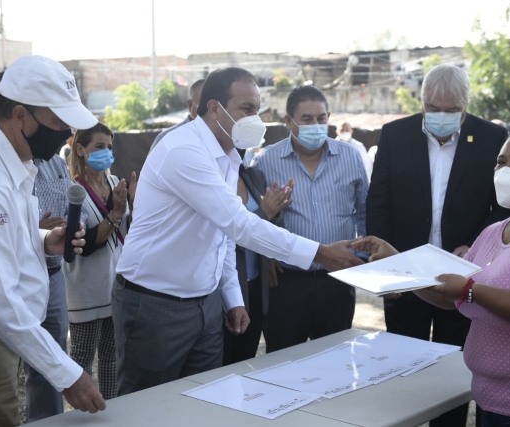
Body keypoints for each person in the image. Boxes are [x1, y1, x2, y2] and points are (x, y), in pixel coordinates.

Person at [113, 67, 363, 396]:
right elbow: (239, 223)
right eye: (246, 110)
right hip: (155, 305)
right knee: (146, 408)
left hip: (205, 304)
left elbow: (223, 237)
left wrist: (232, 299)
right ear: (214, 108)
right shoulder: (184, 151)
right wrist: (322, 253)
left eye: (257, 110)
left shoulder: (229, 156)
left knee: (203, 405)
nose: (255, 119)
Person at [355, 127, 510, 427]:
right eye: (501, 162)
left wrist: (471, 290)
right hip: (498, 403)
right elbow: (449, 295)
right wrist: (398, 263)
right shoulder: (494, 232)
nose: (505, 170)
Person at [366, 64, 510, 427]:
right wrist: (386, 271)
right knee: (402, 367)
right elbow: (378, 204)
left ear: (466, 105)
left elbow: (501, 209)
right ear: (421, 101)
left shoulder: (492, 138)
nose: (441, 116)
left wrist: (475, 249)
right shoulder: (395, 134)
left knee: (453, 370)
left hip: (461, 276)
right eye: (434, 107)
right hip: (406, 272)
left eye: (451, 110)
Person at [0, 55, 105, 427]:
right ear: (20, 116)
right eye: (58, 121)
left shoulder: (12, 161)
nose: (66, 133)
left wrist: (42, 240)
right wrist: (68, 374)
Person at [253, 86, 368, 353]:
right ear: (288, 121)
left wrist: (364, 259)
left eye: (321, 119)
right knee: (283, 362)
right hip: (287, 284)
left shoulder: (350, 157)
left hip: (338, 279)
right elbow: (254, 220)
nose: (315, 126)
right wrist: (264, 256)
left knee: (336, 360)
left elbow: (364, 211)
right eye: (306, 120)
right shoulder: (266, 162)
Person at [64, 123, 136, 400]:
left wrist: (134, 204)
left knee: (111, 358)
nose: (106, 152)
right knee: (81, 359)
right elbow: (85, 243)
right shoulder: (74, 191)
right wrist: (116, 214)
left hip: (114, 288)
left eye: (109, 146)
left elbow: (126, 230)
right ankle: (85, 413)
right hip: (84, 292)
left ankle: (110, 411)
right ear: (81, 150)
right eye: (98, 147)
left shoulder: (115, 182)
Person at [24, 132, 89, 422]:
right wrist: (34, 229)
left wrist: (78, 225)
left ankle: (47, 420)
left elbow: (77, 203)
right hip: (15, 277)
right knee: (1, 368)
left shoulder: (56, 162)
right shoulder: (7, 163)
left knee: (50, 359)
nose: (64, 132)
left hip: (52, 274)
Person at [223, 159, 291, 364]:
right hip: (225, 294)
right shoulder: (214, 180)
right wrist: (264, 212)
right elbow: (224, 237)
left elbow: (272, 228)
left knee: (245, 364)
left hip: (255, 288)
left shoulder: (253, 175)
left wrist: (277, 207)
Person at [149, 79, 205, 152]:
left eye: (215, 106)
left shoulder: (221, 139)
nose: (210, 111)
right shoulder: (167, 139)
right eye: (203, 105)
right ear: (190, 105)